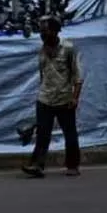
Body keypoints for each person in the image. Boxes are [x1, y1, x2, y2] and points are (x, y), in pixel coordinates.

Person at [22, 15, 83, 178]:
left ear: (55, 31)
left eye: (45, 31)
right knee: (42, 134)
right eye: (41, 31)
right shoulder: (41, 50)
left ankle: (73, 165)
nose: (42, 34)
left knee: (70, 134)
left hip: (64, 99)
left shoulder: (68, 48)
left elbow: (78, 77)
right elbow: (43, 75)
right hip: (44, 98)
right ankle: (37, 165)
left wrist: (75, 97)